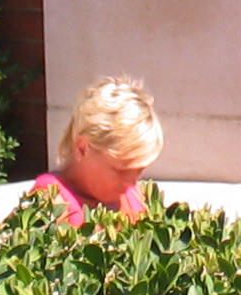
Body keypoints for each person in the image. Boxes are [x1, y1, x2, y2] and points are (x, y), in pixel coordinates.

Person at [30, 76, 161, 224]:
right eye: (121, 170)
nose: (131, 183)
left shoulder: (137, 197)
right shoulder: (51, 204)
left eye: (138, 170)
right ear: (82, 149)